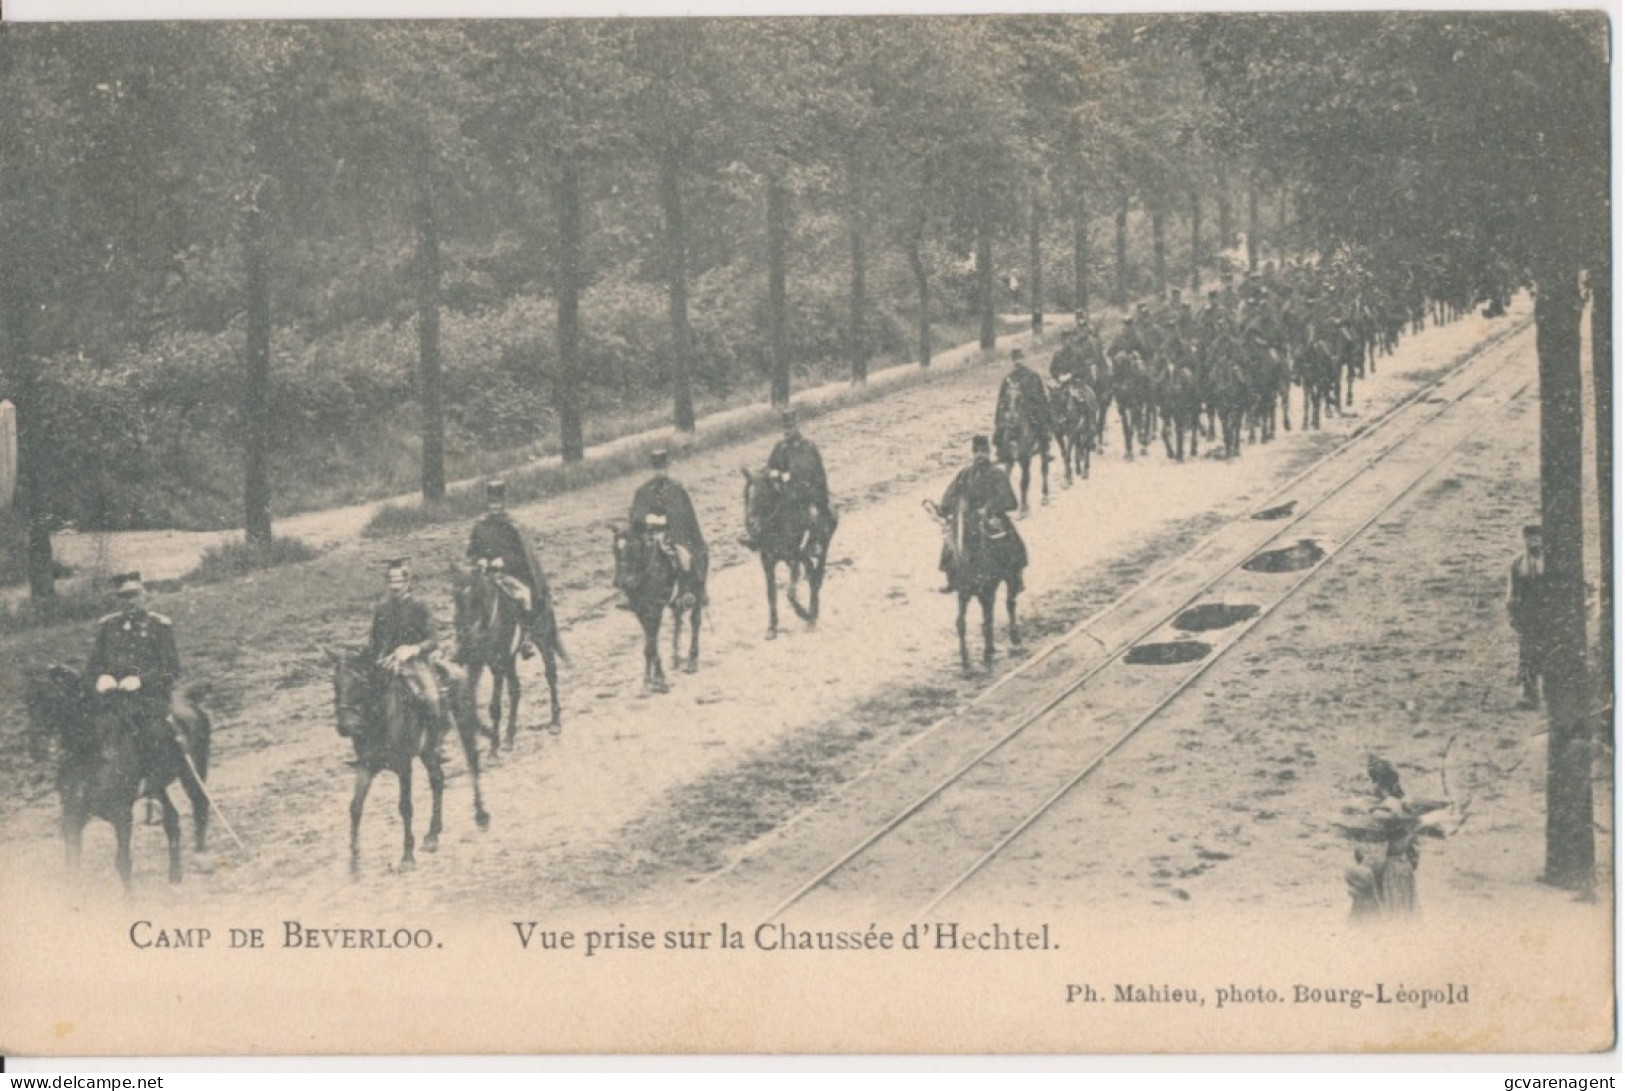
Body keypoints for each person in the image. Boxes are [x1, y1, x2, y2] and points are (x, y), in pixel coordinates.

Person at [87, 571, 182, 744]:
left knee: (156, 736)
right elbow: (93, 665)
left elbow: (172, 670)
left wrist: (141, 681)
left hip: (149, 698)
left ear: (144, 596)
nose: (130, 602)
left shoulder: (158, 626)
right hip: (112, 697)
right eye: (124, 597)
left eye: (135, 595)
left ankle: (166, 771)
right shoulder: (107, 627)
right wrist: (102, 677)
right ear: (117, 600)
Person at [362, 558, 448, 733]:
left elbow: (433, 639)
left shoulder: (419, 606)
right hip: (387, 663)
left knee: (432, 698)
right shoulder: (382, 608)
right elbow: (374, 640)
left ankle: (435, 745)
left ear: (407, 582)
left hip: (415, 663)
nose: (395, 586)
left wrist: (413, 649)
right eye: (391, 581)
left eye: (399, 581)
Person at [466, 480, 548, 659]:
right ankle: (465, 642)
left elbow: (522, 556)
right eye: (491, 503)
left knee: (524, 595)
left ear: (503, 503)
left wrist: (503, 561)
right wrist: (479, 560)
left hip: (507, 576)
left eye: (497, 503)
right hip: (485, 576)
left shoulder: (511, 526)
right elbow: (472, 551)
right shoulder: (479, 526)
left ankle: (526, 639)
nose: (494, 507)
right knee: (465, 599)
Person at [936, 435, 1026, 593]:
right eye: (977, 451)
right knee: (952, 541)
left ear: (989, 452)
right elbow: (952, 494)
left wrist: (990, 508)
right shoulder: (964, 474)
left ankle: (1015, 577)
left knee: (1012, 542)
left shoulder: (997, 475)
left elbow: (1011, 501)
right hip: (968, 518)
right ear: (972, 453)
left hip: (991, 517)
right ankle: (952, 578)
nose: (980, 455)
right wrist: (944, 508)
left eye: (983, 451)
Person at [742, 409, 833, 550]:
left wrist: (790, 476)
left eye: (790, 427)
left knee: (812, 516)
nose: (787, 431)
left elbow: (810, 471)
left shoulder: (806, 446)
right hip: (785, 490)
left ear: (797, 427)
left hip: (806, 491)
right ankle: (758, 537)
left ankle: (813, 544)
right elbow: (770, 466)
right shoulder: (781, 446)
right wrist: (773, 473)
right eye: (785, 427)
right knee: (766, 507)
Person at [629, 448, 708, 607]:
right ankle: (631, 594)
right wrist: (648, 520)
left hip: (673, 537)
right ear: (653, 469)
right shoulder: (643, 491)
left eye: (663, 468)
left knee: (684, 558)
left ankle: (686, 593)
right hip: (649, 537)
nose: (660, 472)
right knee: (632, 558)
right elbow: (636, 516)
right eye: (657, 469)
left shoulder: (677, 490)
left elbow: (688, 517)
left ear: (667, 468)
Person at [1507, 523, 1548, 710]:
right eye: (1528, 538)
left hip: (1549, 613)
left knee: (1551, 652)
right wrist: (1513, 613)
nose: (1532, 542)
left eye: (1536, 537)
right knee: (1527, 654)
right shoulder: (1518, 563)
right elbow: (1513, 592)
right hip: (1528, 615)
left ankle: (1552, 694)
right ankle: (1530, 694)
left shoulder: (1552, 560)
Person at [993, 346, 1052, 470]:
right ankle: (1001, 452)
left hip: (1029, 410)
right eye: (1015, 359)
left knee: (1040, 425)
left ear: (1024, 359)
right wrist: (999, 416)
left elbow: (1041, 397)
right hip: (1012, 412)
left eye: (1019, 358)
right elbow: (1001, 399)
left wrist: (1038, 408)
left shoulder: (1033, 377)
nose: (1017, 362)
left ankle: (1045, 451)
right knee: (1001, 428)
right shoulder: (1008, 379)